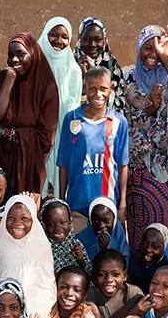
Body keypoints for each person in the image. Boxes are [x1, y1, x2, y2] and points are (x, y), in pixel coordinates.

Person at [124, 26, 168, 249]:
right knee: (139, 224)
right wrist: (150, 108)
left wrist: (167, 58)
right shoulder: (129, 77)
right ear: (138, 49)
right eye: (147, 48)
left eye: (157, 49)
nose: (152, 54)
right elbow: (124, 116)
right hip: (138, 166)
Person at [0, 32, 60, 194]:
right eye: (11, 55)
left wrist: (4, 132)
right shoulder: (2, 79)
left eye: (21, 54)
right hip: (0, 160)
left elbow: (46, 135)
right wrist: (10, 78)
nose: (14, 60)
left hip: (29, 163)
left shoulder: (46, 87)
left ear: (33, 55)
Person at [56, 67, 130, 220]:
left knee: (106, 242)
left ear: (111, 89)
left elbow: (123, 166)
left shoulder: (118, 122)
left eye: (103, 89)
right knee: (79, 242)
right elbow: (63, 164)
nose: (98, 94)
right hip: (78, 203)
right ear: (85, 88)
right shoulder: (72, 119)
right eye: (92, 89)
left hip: (108, 204)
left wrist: (122, 203)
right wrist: (62, 199)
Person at [38, 17, 83, 199]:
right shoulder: (35, 65)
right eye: (53, 35)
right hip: (38, 137)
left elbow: (74, 109)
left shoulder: (74, 70)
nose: (59, 41)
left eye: (65, 37)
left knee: (60, 188)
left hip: (62, 136)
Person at [0, 194, 58, 318]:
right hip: (5, 315)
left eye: (24, 218)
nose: (17, 223)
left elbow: (47, 282)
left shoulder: (42, 245)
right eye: (11, 218)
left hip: (39, 315)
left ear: (33, 219)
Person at [73, 17, 125, 109]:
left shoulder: (112, 67)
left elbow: (120, 103)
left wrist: (95, 72)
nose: (92, 44)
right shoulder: (70, 65)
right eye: (87, 39)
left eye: (98, 40)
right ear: (80, 40)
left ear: (104, 40)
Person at [40, 198, 90, 274]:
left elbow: (88, 272)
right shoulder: (41, 248)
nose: (58, 228)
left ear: (69, 222)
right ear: (44, 225)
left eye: (62, 222)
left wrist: (80, 259)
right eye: (51, 224)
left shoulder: (75, 245)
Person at [76, 197, 129, 263]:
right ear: (90, 221)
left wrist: (107, 249)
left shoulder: (120, 239)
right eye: (96, 221)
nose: (101, 226)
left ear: (114, 220)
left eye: (106, 220)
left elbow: (124, 265)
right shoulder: (81, 240)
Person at [129, 223, 168, 290]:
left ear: (164, 248)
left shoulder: (166, 270)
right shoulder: (133, 260)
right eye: (144, 244)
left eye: (155, 246)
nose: (148, 249)